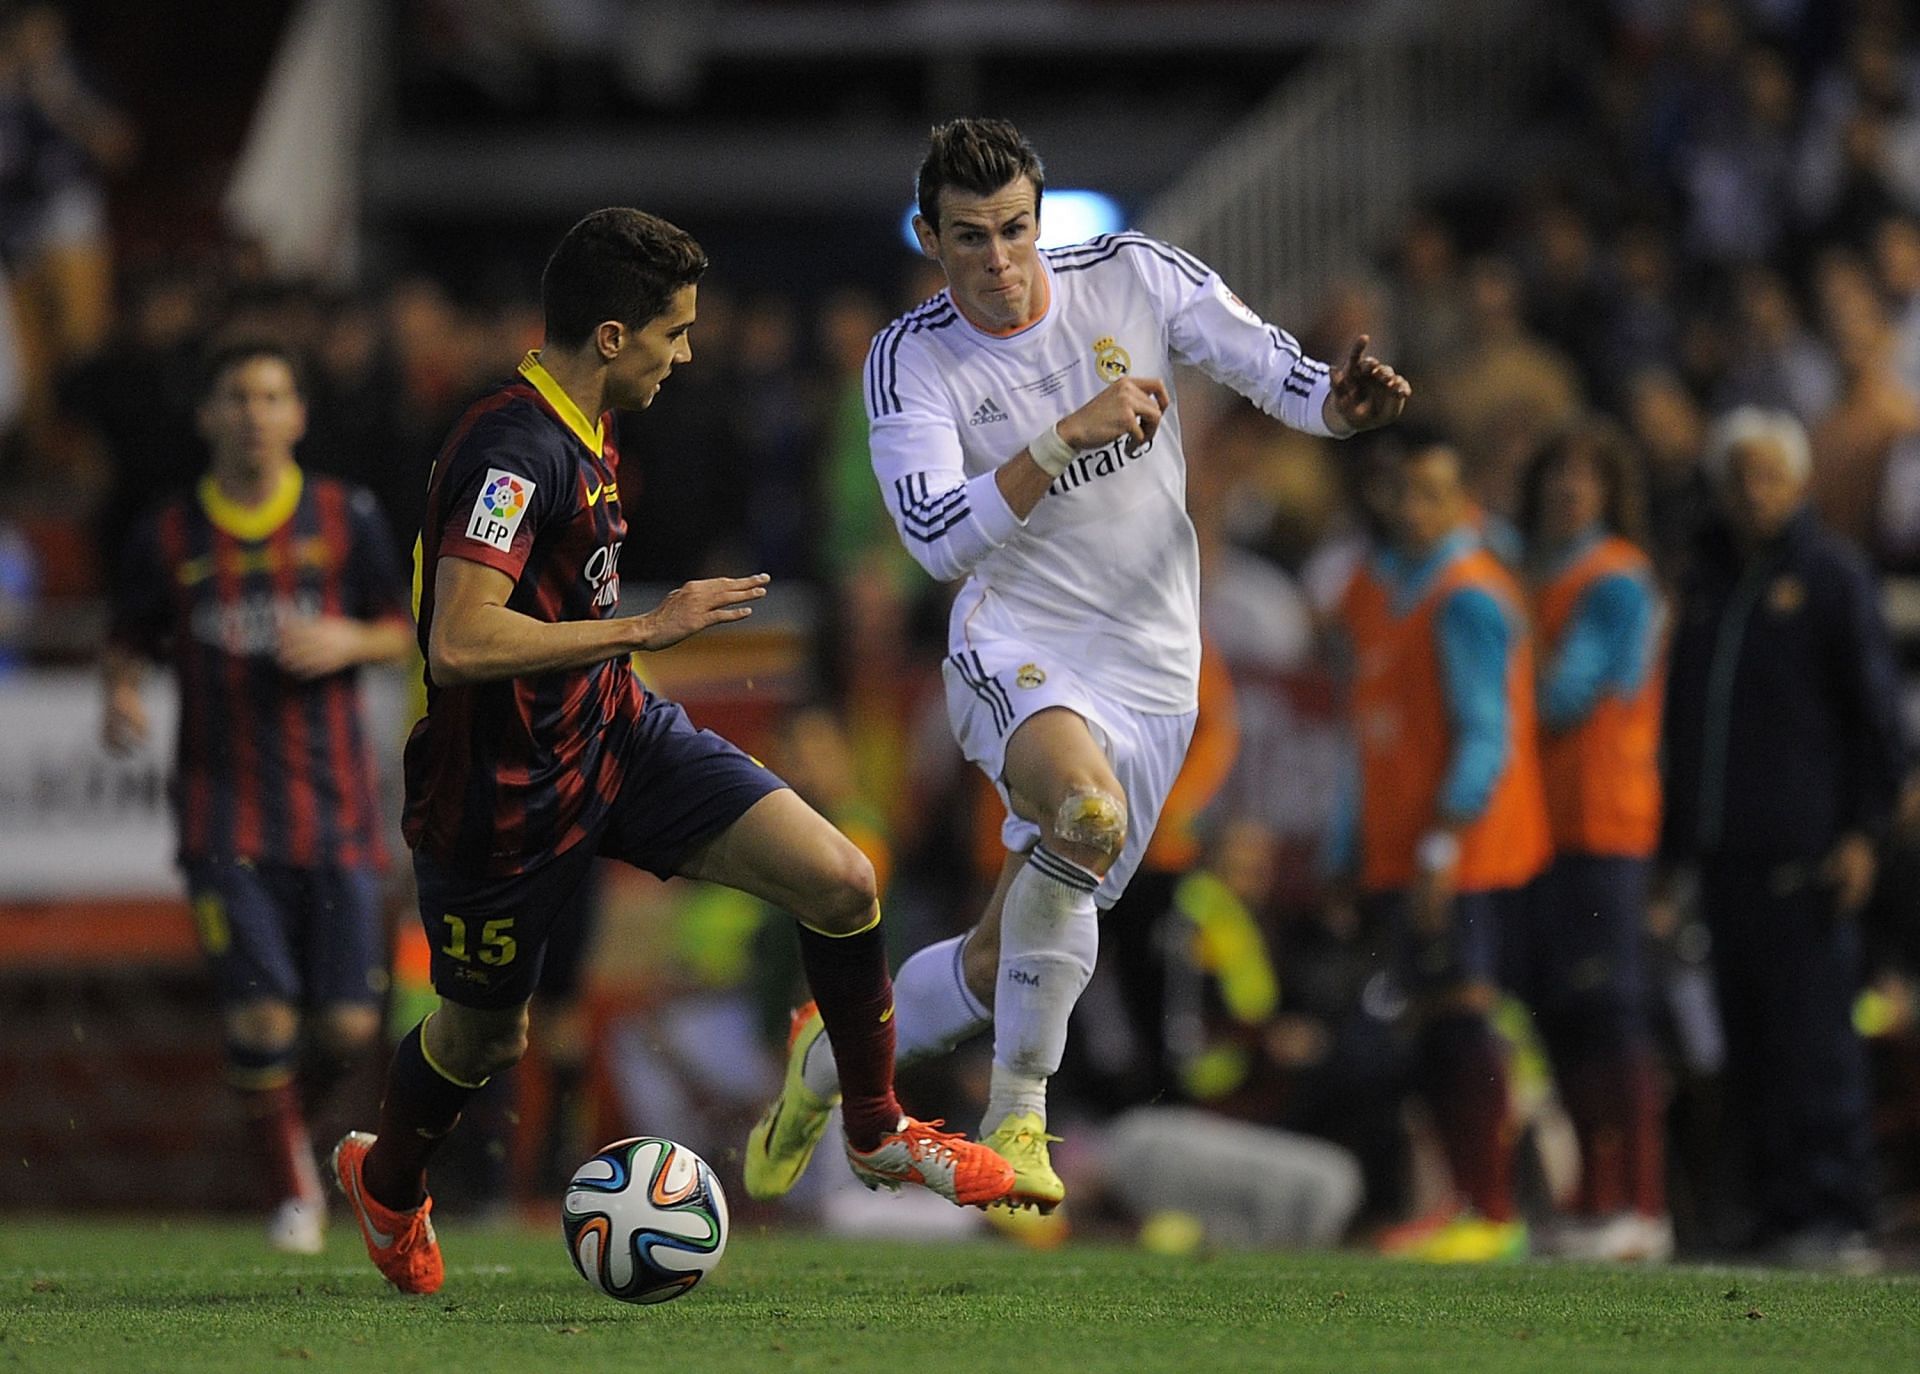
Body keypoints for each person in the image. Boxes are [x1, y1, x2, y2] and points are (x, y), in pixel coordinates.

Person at [331, 208, 1013, 1297]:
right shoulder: (512, 450)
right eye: (673, 333)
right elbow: (459, 641)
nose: (686, 354)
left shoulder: (589, 429)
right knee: (480, 1042)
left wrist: (635, 673)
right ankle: (391, 1184)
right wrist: (645, 629)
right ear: (611, 335)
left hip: (616, 735)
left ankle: (877, 1128)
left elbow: (562, 607)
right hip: (498, 797)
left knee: (841, 880)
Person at [745, 117, 1409, 1213]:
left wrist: (1340, 404)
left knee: (989, 960)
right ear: (929, 235)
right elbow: (932, 537)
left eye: (1014, 230)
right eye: (969, 238)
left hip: (1155, 671)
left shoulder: (1133, 276)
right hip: (1019, 644)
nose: (999, 262)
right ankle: (1021, 1112)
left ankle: (827, 1060)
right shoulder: (910, 357)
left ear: (1039, 220)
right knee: (1085, 818)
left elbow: (1277, 372)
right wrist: (1058, 439)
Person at [101, 340, 414, 1253]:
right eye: (236, 395)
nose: (253, 412)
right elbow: (127, 636)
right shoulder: (166, 534)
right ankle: (292, 1196)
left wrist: (347, 641)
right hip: (222, 814)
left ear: (298, 415)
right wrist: (120, 690)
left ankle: (275, 1130)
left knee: (351, 1025)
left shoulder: (344, 516)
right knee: (263, 1015)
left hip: (340, 813)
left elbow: (401, 630)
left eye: (272, 395)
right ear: (207, 415)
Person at [1661, 406, 1904, 1270]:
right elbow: (1683, 722)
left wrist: (1864, 834)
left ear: (1798, 484)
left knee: (1815, 1041)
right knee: (1748, 1038)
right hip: (1726, 854)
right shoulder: (1708, 582)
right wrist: (1676, 849)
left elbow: (1877, 720)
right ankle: (1770, 1209)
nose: (1753, 494)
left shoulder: (1831, 579)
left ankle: (1835, 1212)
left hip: (1807, 853)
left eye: (1768, 476)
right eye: (1739, 477)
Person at [1334, 439, 1551, 1262]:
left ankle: (1493, 1211)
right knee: (1430, 1024)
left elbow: (1485, 736)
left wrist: (1439, 846)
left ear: (1462, 505)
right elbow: (1371, 735)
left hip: (1459, 854)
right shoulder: (1388, 593)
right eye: (1405, 493)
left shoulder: (1468, 596)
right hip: (1402, 849)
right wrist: (1345, 844)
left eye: (1434, 495)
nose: (1415, 509)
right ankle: (1462, 1202)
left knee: (1462, 1017)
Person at [1517, 419, 1671, 1261]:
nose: (1569, 491)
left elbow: (1563, 696)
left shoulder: (1616, 581)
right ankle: (1599, 1198)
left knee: (1611, 1011)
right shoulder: (1543, 580)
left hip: (1603, 820)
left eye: (1587, 478)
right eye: (1558, 475)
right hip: (1548, 826)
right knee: (1568, 1014)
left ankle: (1640, 1201)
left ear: (1611, 494)